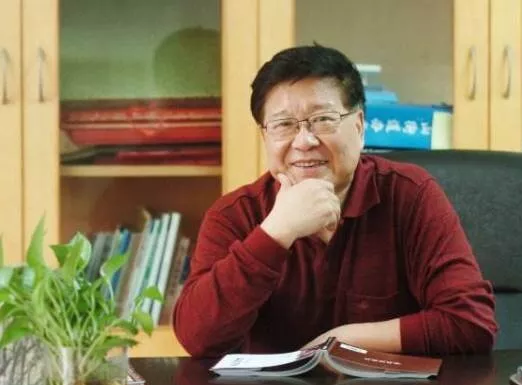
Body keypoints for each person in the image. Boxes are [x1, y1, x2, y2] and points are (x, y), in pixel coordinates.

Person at [173, 44, 498, 358]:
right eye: (284, 125)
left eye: (323, 119)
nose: (304, 141)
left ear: (359, 126)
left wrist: (340, 340)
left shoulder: (410, 194)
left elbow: (471, 324)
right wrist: (276, 233)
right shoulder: (235, 214)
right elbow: (197, 339)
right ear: (265, 136)